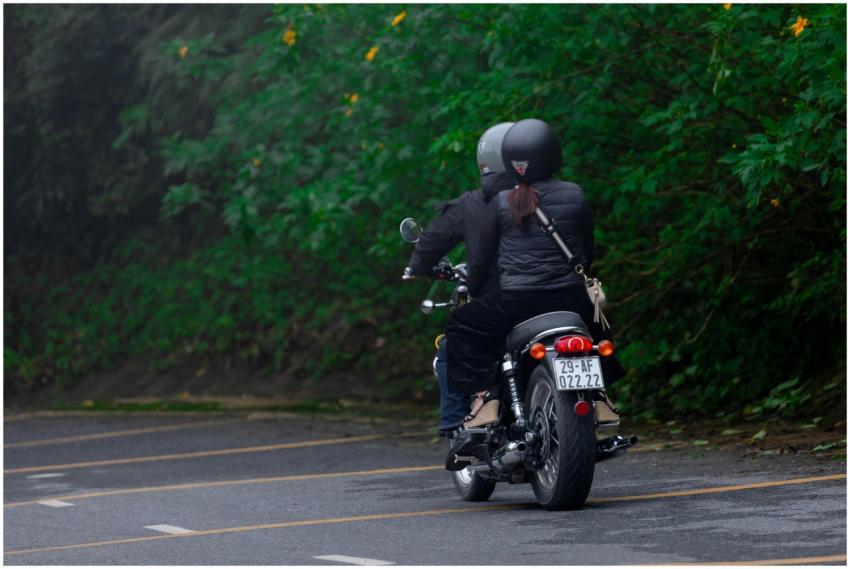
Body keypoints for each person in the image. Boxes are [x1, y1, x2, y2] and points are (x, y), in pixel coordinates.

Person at [444, 118, 625, 429]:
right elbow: (588, 253)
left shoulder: (502, 201)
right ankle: (601, 396)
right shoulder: (576, 194)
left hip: (518, 301)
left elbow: (481, 262)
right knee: (598, 327)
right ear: (553, 154)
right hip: (571, 298)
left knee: (460, 325)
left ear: (511, 161)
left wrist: (473, 291)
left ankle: (484, 397)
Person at [407, 122, 517, 434]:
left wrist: (420, 266)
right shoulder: (558, 194)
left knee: (454, 340)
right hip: (562, 296)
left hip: (504, 301)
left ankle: (460, 421)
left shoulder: (475, 204)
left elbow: (430, 243)